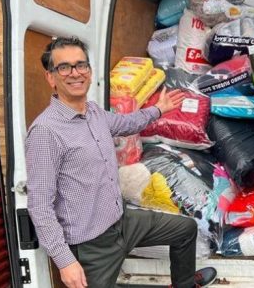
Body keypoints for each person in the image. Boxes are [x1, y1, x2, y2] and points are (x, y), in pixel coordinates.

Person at [26, 37, 217, 288]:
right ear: (51, 77)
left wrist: (158, 109)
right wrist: (64, 261)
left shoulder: (93, 112)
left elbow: (127, 124)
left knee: (185, 229)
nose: (75, 73)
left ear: (89, 71)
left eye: (81, 65)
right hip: (91, 245)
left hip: (122, 222)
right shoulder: (45, 131)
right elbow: (39, 206)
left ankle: (183, 284)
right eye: (64, 67)